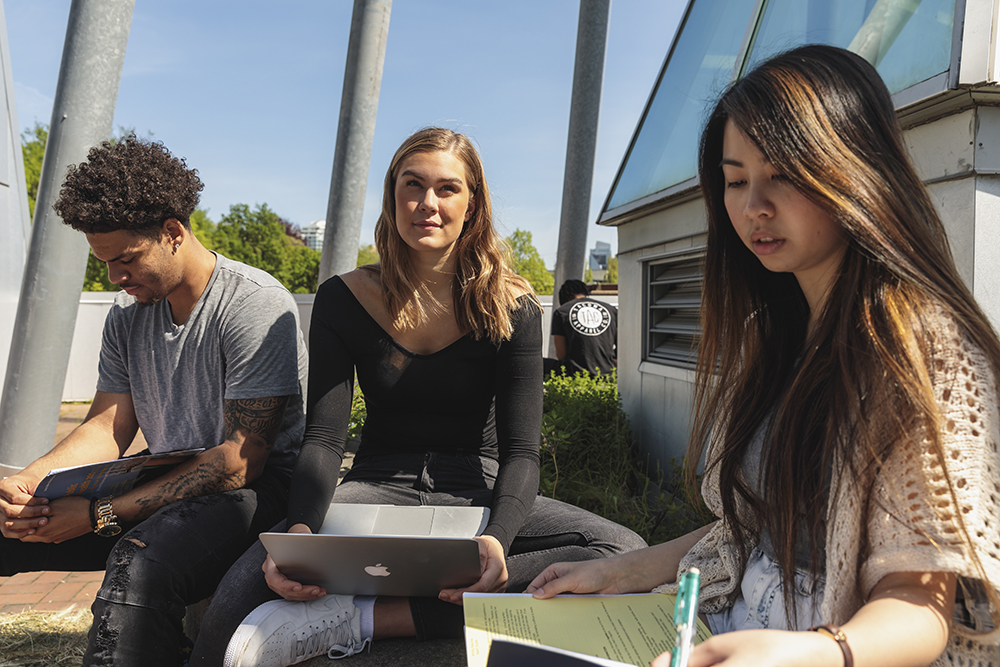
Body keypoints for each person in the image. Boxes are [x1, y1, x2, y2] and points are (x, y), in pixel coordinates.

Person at [526, 44, 1000, 667]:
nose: (754, 207)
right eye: (736, 180)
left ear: (855, 168)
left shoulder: (924, 351)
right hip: (713, 632)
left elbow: (924, 598)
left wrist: (817, 655)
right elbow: (761, 528)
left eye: (782, 174)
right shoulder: (775, 332)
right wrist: (620, 573)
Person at [191, 127, 647, 666]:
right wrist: (302, 534)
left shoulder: (513, 307)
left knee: (624, 553)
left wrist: (498, 541)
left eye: (447, 188)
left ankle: (361, 618)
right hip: (377, 489)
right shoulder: (344, 298)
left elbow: (521, 452)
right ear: (392, 194)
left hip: (474, 494)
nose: (427, 204)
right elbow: (323, 439)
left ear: (472, 203)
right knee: (245, 587)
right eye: (413, 185)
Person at [0, 136, 308, 667]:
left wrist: (96, 515)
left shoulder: (253, 303)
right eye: (104, 263)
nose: (115, 278)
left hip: (259, 493)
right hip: (163, 478)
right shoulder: (127, 317)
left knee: (139, 564)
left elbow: (241, 460)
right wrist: (30, 484)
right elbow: (107, 425)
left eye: (125, 259)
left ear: (172, 233)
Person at [550, 278, 617, 376]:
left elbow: (561, 354)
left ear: (564, 298)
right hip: (607, 372)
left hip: (574, 373)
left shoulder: (562, 312)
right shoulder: (611, 310)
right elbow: (622, 346)